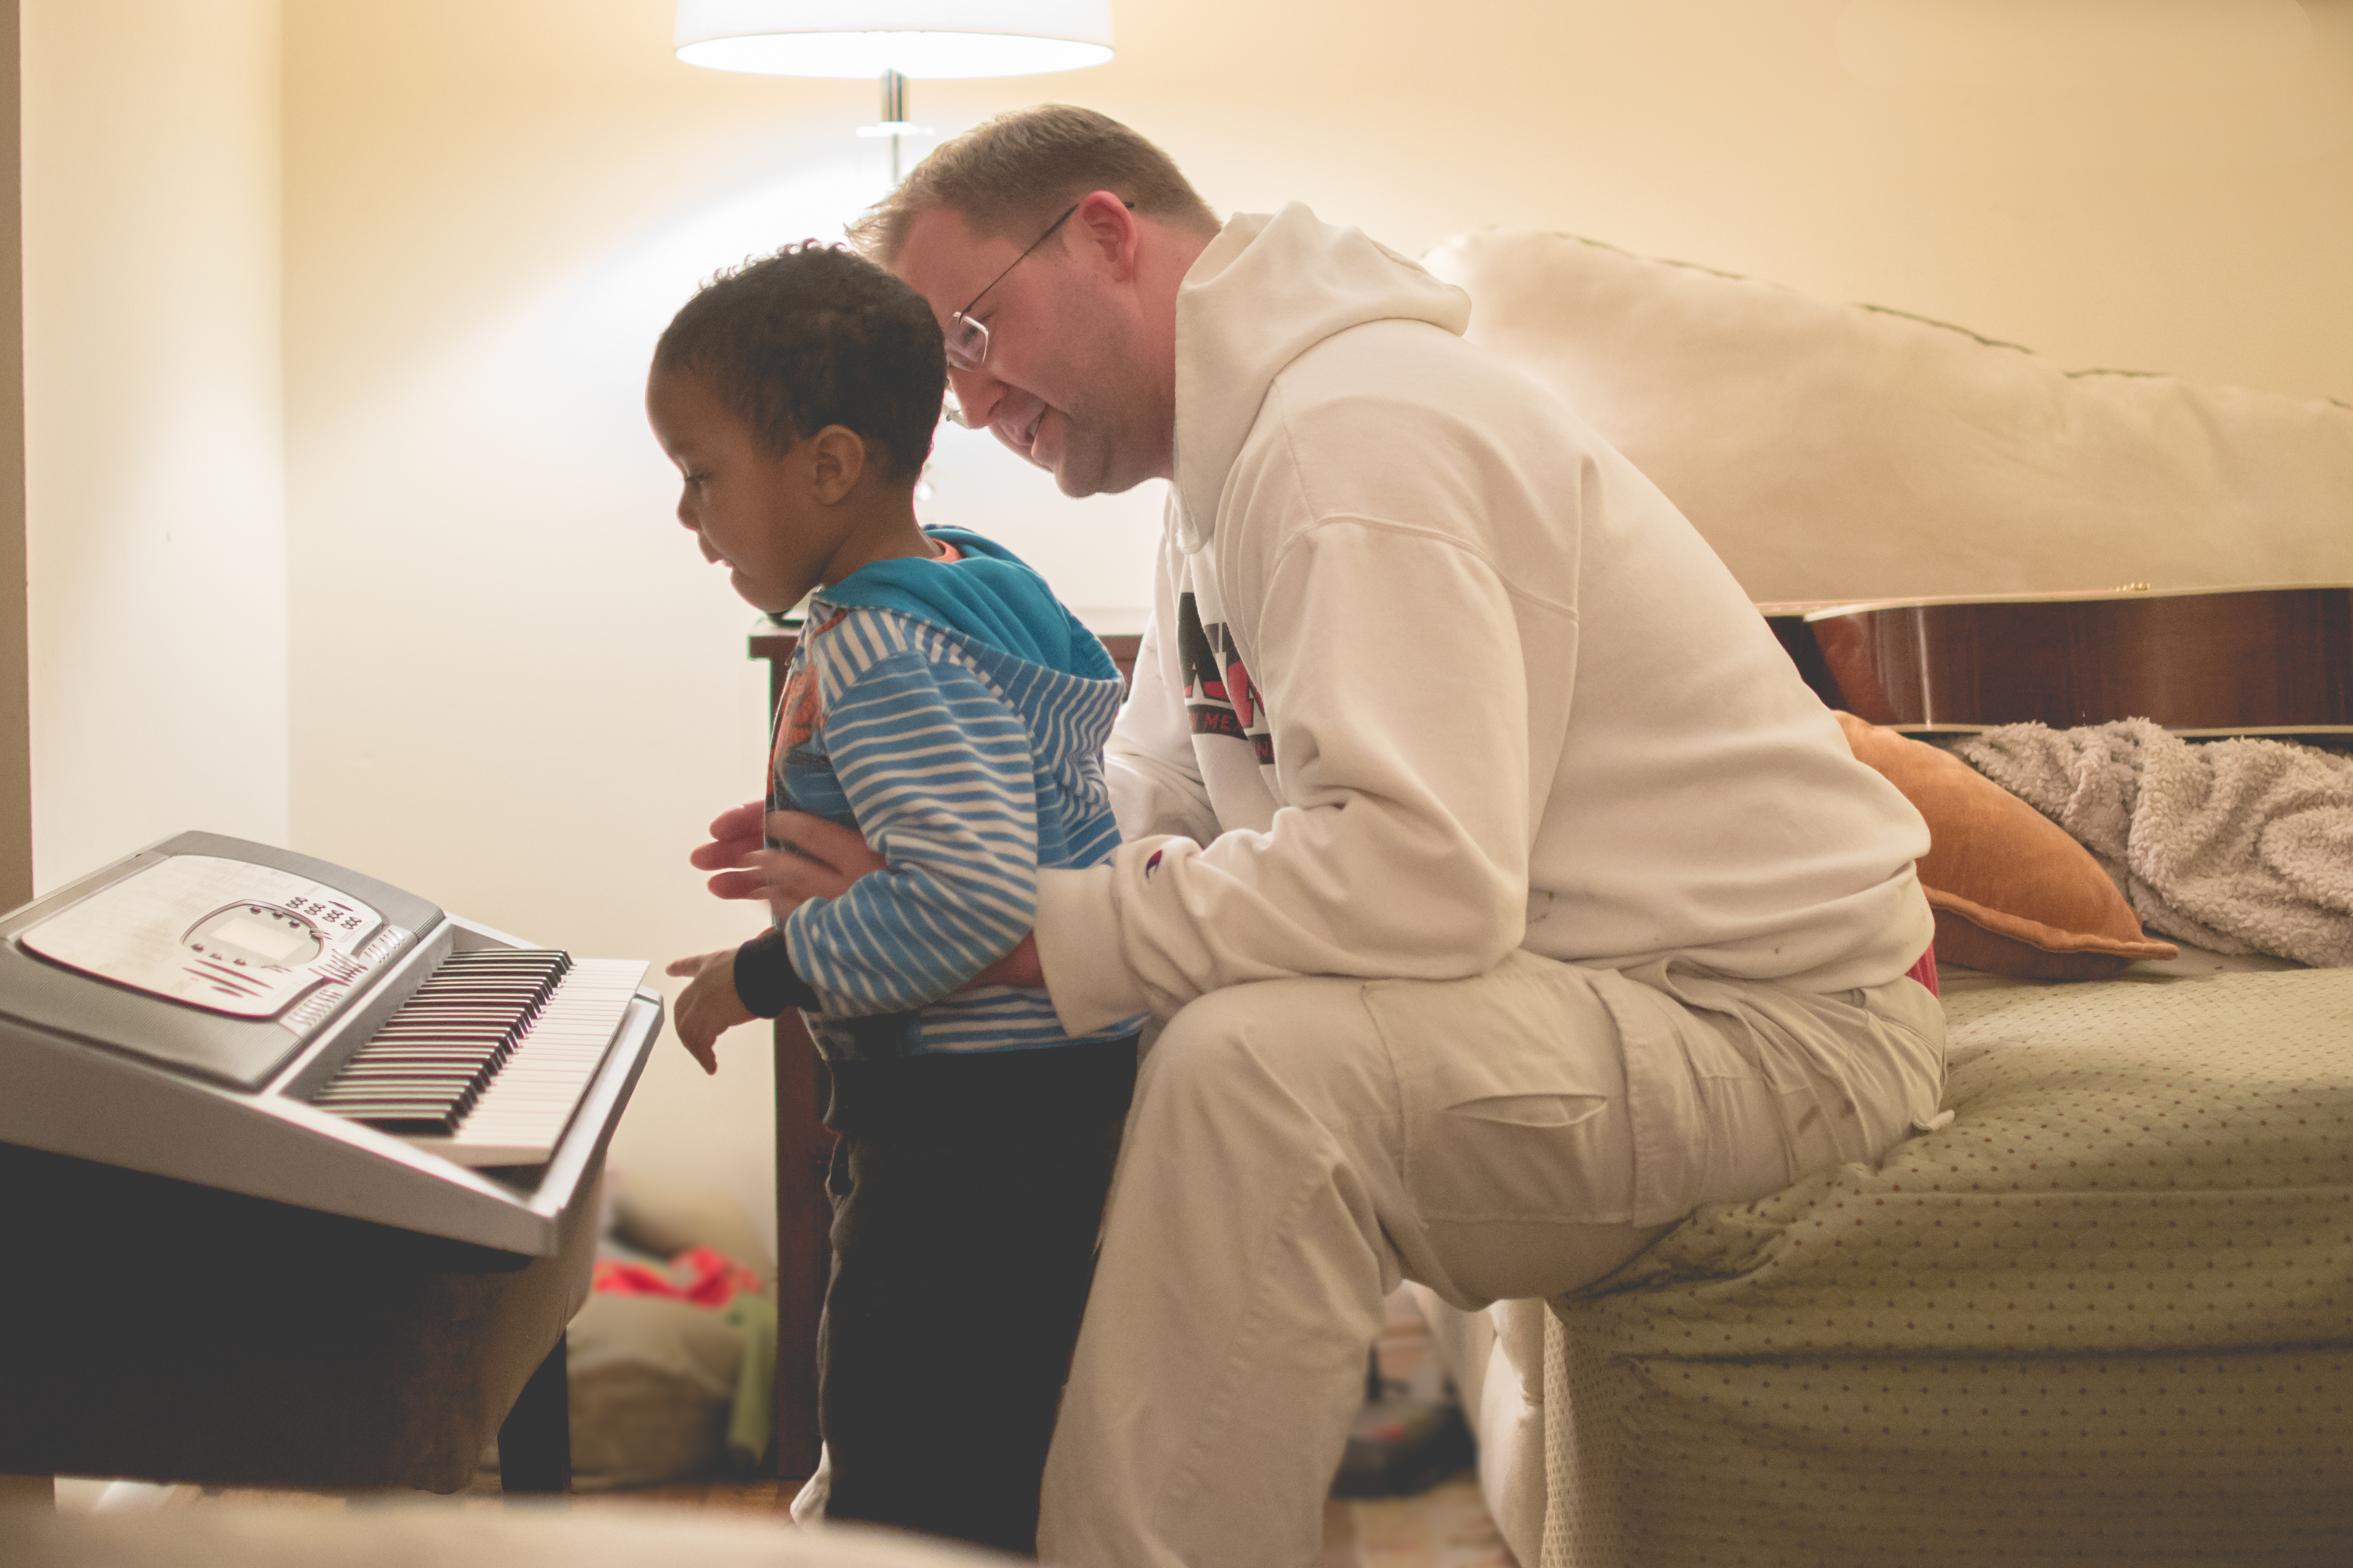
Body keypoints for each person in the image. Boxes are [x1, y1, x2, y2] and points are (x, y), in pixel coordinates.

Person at [706, 109, 1948, 1567]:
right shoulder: (1226, 467)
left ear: (1105, 235)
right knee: (1106, 1033)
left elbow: (1422, 879)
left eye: (973, 335)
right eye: (943, 370)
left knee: (1252, 1072)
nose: (969, 407)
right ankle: (915, 1500)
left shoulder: (1355, 435)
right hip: (1607, 985)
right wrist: (946, 859)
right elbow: (1151, 793)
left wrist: (1026, 938)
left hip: (1779, 1021)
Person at [648, 242, 1145, 1557]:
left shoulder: (877, 639)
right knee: (996, 1443)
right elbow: (1016, 801)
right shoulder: (987, 584)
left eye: (701, 475)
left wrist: (753, 978)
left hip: (962, 1133)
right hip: (1056, 1106)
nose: (688, 516)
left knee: (909, 1463)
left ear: (827, 464)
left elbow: (968, 901)